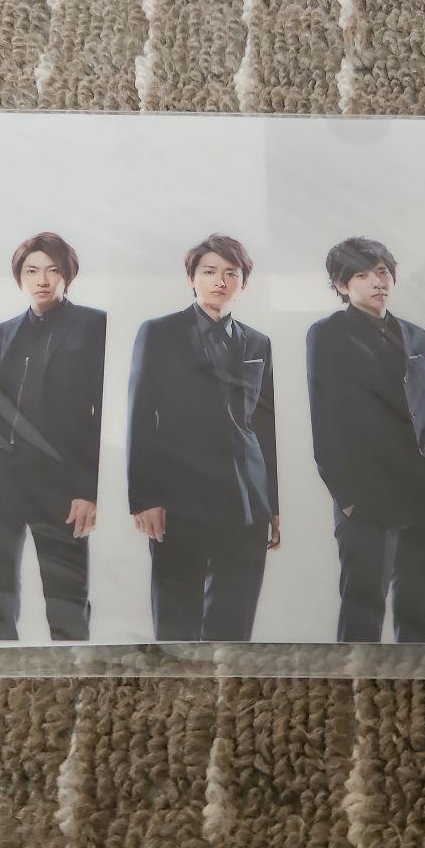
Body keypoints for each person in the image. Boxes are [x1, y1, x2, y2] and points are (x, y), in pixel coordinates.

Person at [0, 232, 105, 641]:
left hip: (60, 485)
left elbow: (101, 416)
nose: (42, 280)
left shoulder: (95, 325)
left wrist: (89, 489)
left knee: (68, 603)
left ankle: (72, 672)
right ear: (20, 276)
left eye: (53, 270)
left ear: (68, 275)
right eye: (32, 271)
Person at [127, 233, 280, 642]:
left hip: (246, 500)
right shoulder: (158, 333)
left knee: (235, 626)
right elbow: (141, 416)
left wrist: (272, 504)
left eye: (231, 273)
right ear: (191, 278)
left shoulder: (258, 342)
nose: (220, 281)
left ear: (243, 283)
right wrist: (144, 498)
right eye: (210, 271)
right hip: (179, 497)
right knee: (176, 624)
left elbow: (263, 427)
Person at [306, 237, 425, 644]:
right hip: (366, 496)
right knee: (362, 611)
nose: (378, 282)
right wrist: (347, 496)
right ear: (341, 285)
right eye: (362, 275)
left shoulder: (415, 335)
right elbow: (325, 418)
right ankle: (356, 679)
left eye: (383, 272)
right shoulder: (327, 334)